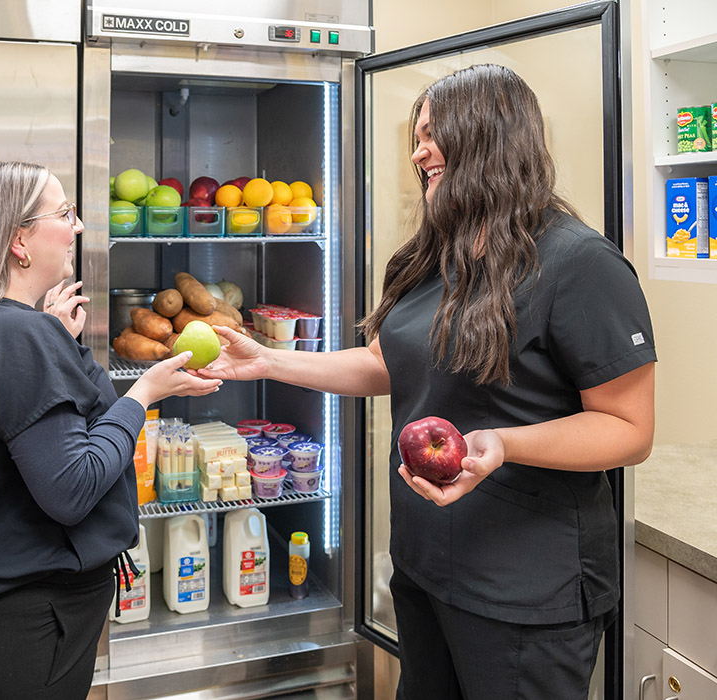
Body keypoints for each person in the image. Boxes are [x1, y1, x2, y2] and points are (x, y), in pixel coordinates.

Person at [197, 64, 656, 700]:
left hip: (523, 584)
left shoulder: (581, 264)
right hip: (424, 562)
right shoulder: (439, 255)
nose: (418, 152)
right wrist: (269, 363)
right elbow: (390, 364)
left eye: (434, 133)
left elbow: (629, 429)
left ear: (490, 135)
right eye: (418, 136)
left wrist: (503, 444)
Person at [0, 161, 221, 700]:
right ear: (18, 241)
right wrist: (144, 394)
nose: (78, 227)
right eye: (65, 213)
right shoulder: (17, 337)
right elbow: (73, 488)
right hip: (15, 631)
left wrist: (58, 337)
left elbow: (54, 424)